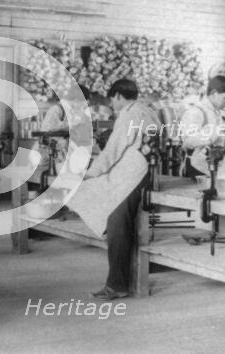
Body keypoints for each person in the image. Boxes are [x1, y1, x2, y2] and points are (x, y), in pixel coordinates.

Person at [88, 79, 160, 300]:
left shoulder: (129, 114)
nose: (112, 103)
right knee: (113, 217)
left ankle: (117, 285)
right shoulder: (148, 110)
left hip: (134, 173)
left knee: (116, 221)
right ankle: (121, 278)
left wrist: (92, 171)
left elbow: (113, 149)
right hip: (147, 171)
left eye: (112, 99)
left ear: (118, 95)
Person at [179, 75, 225, 177]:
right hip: (196, 168)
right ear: (214, 94)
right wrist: (218, 131)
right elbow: (188, 141)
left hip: (213, 166)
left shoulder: (217, 113)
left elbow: (220, 140)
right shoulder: (195, 112)